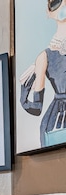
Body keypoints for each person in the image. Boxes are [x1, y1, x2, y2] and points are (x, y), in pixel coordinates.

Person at [20, 0, 66, 147]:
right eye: (57, 1)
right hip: (57, 123)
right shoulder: (44, 57)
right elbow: (36, 108)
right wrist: (24, 91)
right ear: (48, 12)